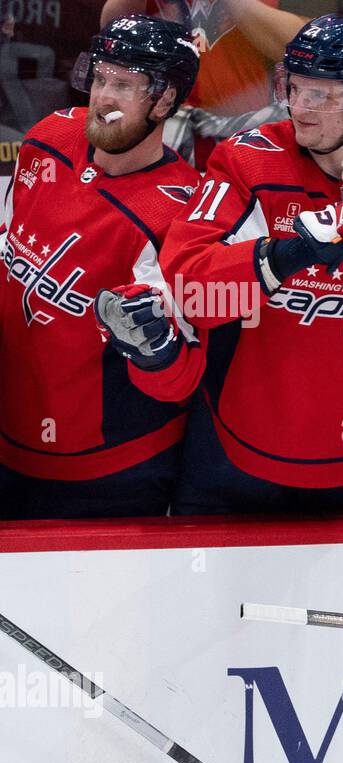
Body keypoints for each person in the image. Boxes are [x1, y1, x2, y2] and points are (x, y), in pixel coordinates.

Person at [116, 14, 343, 513]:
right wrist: (297, 250)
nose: (298, 108)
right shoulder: (248, 160)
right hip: (237, 459)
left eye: (321, 95)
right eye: (293, 87)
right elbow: (189, 280)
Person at [0, 16, 201, 519]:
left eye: (126, 86)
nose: (104, 97)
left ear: (165, 100)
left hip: (110, 474)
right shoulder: (49, 137)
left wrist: (157, 352)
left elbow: (184, 374)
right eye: (102, 77)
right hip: (8, 444)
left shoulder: (183, 212)